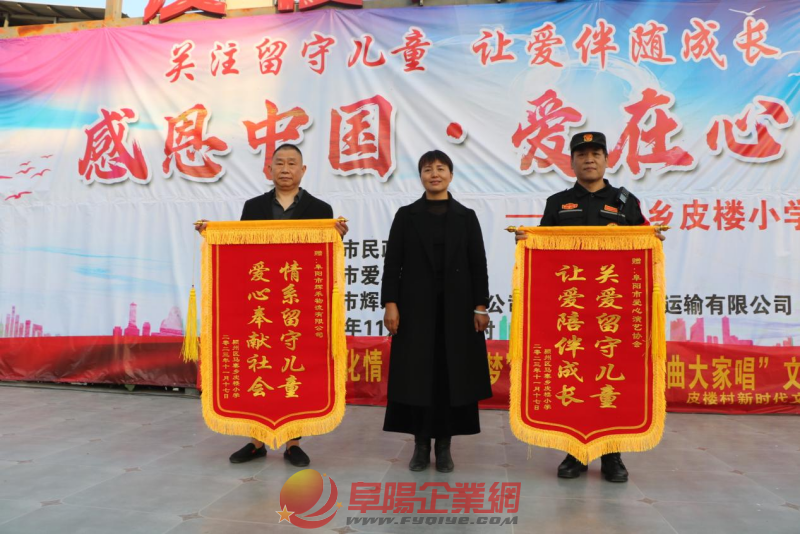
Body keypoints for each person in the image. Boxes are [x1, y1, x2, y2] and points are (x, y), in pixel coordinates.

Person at [516, 131, 664, 483]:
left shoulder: (626, 202)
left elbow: (644, 241)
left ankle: (612, 455)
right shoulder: (558, 203)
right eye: (582, 154)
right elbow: (543, 252)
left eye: (596, 153)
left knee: (613, 379)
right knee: (574, 378)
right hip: (572, 312)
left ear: (607, 160)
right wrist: (527, 242)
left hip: (614, 312)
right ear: (571, 162)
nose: (589, 159)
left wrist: (653, 239)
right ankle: (575, 452)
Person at [195, 143, 348, 467]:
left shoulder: (320, 209)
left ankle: (293, 443)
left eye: (292, 163)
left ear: (303, 170)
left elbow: (323, 258)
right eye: (279, 163)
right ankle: (257, 441)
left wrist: (337, 237)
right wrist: (214, 234)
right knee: (260, 364)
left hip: (299, 305)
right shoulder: (253, 207)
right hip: (261, 302)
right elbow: (240, 253)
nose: (285, 169)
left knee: (296, 369)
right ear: (269, 169)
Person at [381, 149, 493, 473]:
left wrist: (480, 307)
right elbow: (393, 264)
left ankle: (444, 446)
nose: (434, 174)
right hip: (415, 311)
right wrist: (391, 303)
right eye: (428, 169)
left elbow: (478, 264)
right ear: (421, 176)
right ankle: (420, 445)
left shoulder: (466, 216)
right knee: (418, 378)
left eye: (441, 168)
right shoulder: (406, 215)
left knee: (450, 378)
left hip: (458, 312)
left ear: (451, 175)